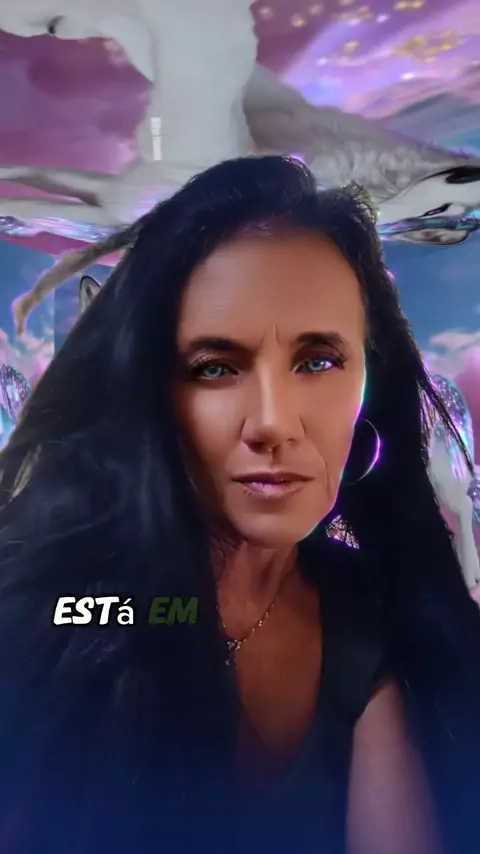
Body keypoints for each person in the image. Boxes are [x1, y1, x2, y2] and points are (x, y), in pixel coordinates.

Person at [0, 156, 479, 854]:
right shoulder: (68, 607)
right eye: (215, 367)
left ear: (368, 375)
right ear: (150, 387)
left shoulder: (368, 616)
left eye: (318, 360)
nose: (273, 423)